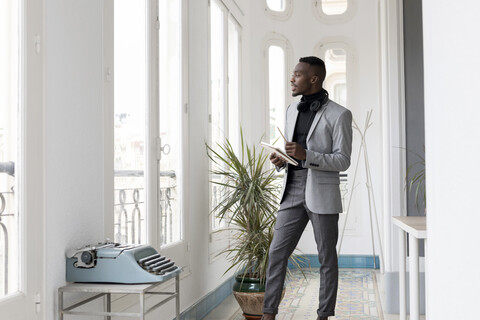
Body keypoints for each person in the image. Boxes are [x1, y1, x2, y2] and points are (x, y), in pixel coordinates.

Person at [262, 56, 353, 320]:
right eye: (293, 74)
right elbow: (293, 152)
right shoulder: (292, 110)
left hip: (321, 192)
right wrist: (282, 160)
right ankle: (268, 314)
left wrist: (307, 155)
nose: (292, 78)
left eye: (297, 74)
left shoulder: (340, 114)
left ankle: (324, 315)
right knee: (276, 253)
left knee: (327, 258)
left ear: (314, 78)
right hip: (291, 189)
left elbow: (343, 160)